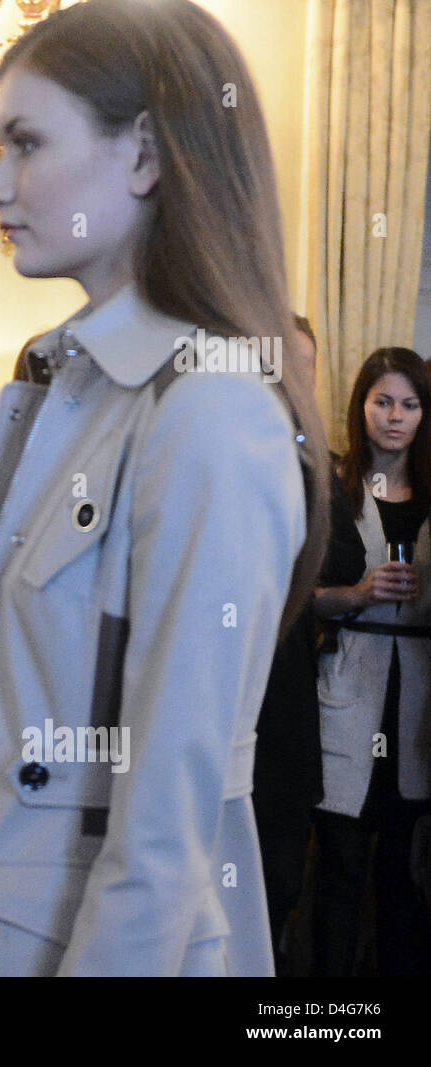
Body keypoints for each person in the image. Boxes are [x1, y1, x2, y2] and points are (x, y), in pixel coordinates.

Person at [0, 0, 329, 977]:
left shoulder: (209, 412)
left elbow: (164, 829)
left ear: (143, 154)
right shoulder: (64, 385)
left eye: (24, 143)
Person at [250, 315, 366, 974]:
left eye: (304, 365)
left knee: (280, 875)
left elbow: (346, 560)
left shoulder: (315, 464)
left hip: (289, 696)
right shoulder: (216, 453)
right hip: (222, 691)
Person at [313, 346, 431, 976]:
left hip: (417, 710)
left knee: (404, 888)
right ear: (360, 406)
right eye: (382, 401)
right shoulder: (332, 488)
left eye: (410, 404)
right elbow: (297, 601)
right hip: (349, 697)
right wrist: (356, 595)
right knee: (338, 876)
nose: (395, 417)